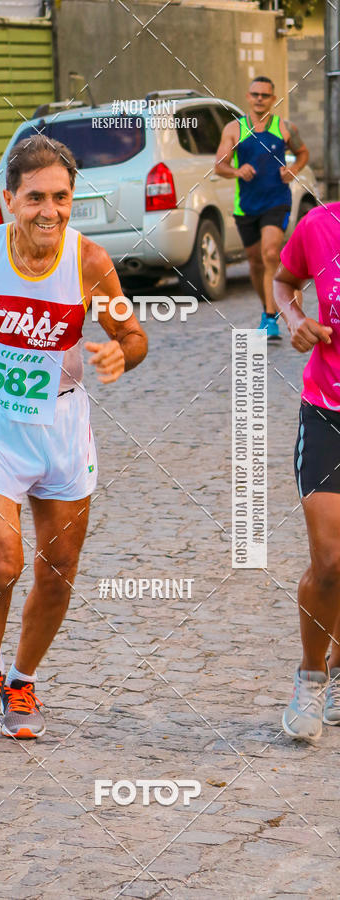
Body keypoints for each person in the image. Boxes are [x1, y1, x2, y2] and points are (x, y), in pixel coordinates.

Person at [0, 134, 148, 740]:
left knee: (60, 567)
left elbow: (136, 336)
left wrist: (122, 352)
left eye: (61, 197)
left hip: (64, 431)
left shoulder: (89, 261)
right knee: (2, 563)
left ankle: (22, 682)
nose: (49, 211)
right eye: (35, 197)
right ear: (8, 199)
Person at [273, 199, 340, 740]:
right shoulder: (321, 225)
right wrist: (295, 319)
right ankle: (311, 677)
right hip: (328, 411)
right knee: (331, 559)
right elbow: (283, 281)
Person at [215, 75, 309, 340]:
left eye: (265, 95)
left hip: (277, 201)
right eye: (255, 94)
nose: (259, 99)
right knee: (255, 262)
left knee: (270, 253)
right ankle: (266, 307)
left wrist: (293, 170)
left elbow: (303, 153)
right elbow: (219, 165)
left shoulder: (285, 128)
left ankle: (270, 318)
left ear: (273, 99)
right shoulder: (233, 129)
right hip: (246, 207)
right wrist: (236, 170)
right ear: (248, 97)